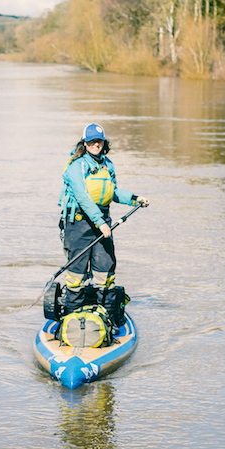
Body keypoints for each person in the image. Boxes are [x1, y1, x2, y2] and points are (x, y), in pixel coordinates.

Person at [57, 123, 148, 317]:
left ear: (103, 143)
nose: (95, 144)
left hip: (102, 224)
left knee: (105, 272)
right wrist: (100, 223)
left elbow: (113, 192)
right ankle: (72, 319)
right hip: (79, 225)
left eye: (99, 141)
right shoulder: (76, 167)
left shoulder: (108, 165)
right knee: (77, 275)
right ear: (85, 143)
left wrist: (135, 199)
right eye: (91, 141)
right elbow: (82, 196)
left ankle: (105, 319)